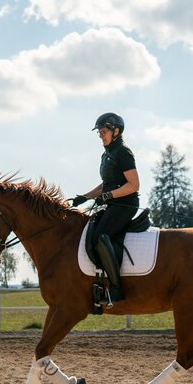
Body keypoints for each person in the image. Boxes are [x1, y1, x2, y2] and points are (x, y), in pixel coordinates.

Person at [70, 112, 140, 305]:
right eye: (99, 133)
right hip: (112, 204)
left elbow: (134, 185)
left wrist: (108, 196)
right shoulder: (106, 155)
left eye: (104, 132)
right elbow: (105, 185)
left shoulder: (123, 152)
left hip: (126, 205)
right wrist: (84, 197)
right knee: (91, 231)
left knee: (102, 236)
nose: (101, 136)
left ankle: (117, 289)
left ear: (116, 131)